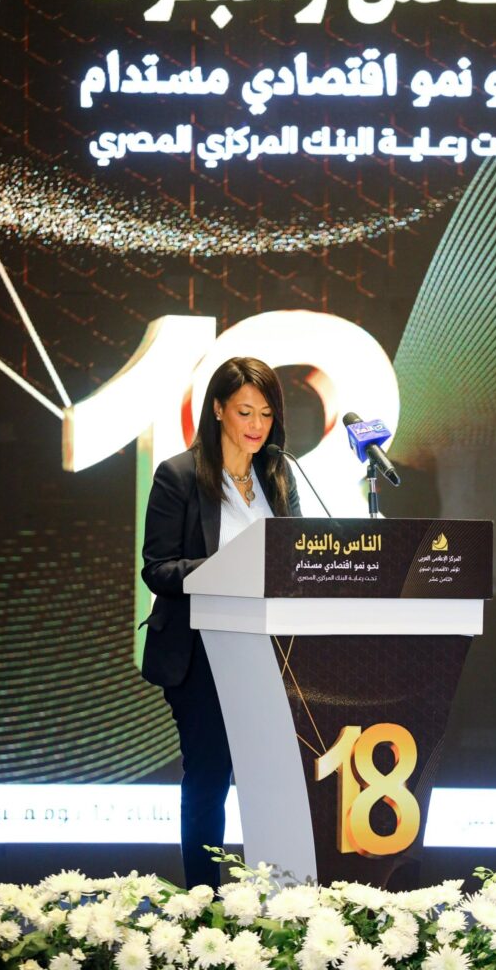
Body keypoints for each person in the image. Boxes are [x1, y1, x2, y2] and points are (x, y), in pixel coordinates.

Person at [140, 356, 301, 887]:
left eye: (266, 414)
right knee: (210, 778)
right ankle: (203, 901)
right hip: (202, 653)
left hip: (271, 653)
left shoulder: (277, 474)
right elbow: (158, 568)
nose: (257, 425)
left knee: (275, 781)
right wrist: (228, 568)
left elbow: (296, 557)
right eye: (244, 412)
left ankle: (281, 897)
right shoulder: (180, 476)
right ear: (217, 410)